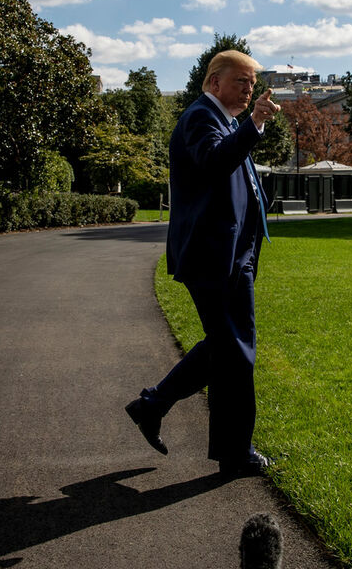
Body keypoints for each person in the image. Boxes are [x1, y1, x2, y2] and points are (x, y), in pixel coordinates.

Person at [125, 49, 281, 478]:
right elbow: (214, 161)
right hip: (214, 257)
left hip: (233, 255)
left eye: (252, 84)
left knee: (228, 349)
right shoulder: (200, 117)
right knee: (236, 353)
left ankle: (152, 405)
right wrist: (255, 125)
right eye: (241, 82)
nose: (249, 90)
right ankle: (233, 453)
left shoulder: (226, 121)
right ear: (214, 82)